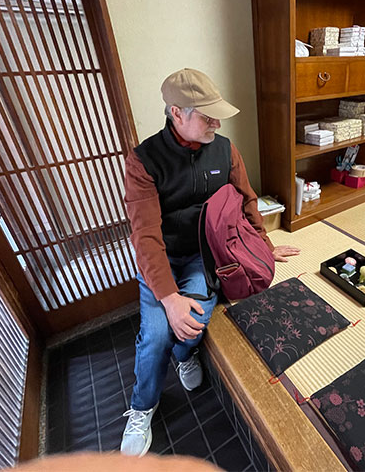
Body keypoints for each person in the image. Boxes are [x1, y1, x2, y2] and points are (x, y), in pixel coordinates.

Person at [120, 68, 300, 457]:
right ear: (176, 113)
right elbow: (145, 236)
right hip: (161, 258)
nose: (217, 124)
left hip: (204, 256)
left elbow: (247, 200)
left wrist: (263, 246)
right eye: (207, 117)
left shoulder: (225, 150)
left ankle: (185, 357)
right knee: (157, 334)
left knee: (196, 318)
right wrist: (169, 298)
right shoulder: (143, 161)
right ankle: (142, 408)